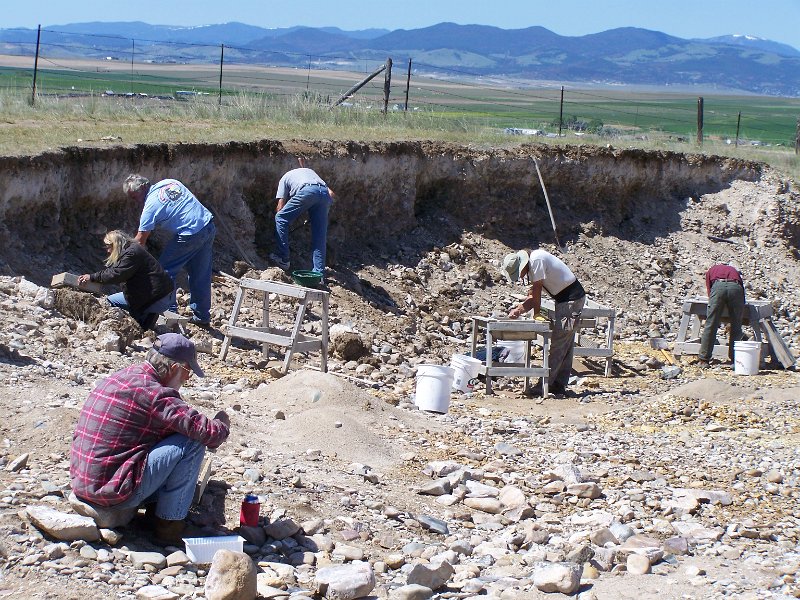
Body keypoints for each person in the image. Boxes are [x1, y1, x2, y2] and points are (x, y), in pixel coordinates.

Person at [70, 333, 230, 545]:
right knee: (192, 442)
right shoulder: (155, 393)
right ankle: (169, 526)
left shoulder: (122, 376)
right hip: (111, 490)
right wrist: (223, 423)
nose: (187, 379)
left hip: (84, 483)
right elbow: (207, 432)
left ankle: (155, 508)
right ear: (174, 369)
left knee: (172, 433)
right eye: (187, 372)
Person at [123, 174, 216, 326]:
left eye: (134, 197)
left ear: (143, 188)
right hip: (207, 225)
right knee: (200, 273)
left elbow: (140, 242)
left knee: (164, 272)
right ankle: (201, 316)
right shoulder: (170, 183)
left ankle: (170, 314)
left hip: (190, 234)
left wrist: (127, 265)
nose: (136, 202)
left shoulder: (150, 207)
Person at [502, 248, 586, 396]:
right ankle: (558, 384)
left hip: (570, 300)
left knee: (559, 344)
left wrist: (537, 313)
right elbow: (532, 296)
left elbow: (537, 290)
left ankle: (545, 385)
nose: (520, 277)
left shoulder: (537, 260)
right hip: (566, 300)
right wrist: (520, 309)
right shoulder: (534, 263)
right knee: (565, 343)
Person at [78, 230, 174, 330]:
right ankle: (147, 316)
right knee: (130, 299)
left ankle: (144, 320)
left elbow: (116, 274)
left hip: (157, 298)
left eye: (108, 247)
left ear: (116, 244)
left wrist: (92, 277)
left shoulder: (131, 254)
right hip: (165, 294)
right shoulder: (134, 249)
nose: (108, 251)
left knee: (110, 301)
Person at [269, 158, 335, 274]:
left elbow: (280, 207)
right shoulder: (309, 171)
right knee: (319, 235)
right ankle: (318, 274)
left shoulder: (285, 177)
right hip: (324, 194)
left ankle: (283, 258)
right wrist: (318, 213)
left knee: (280, 218)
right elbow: (331, 194)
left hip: (307, 190)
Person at [698, 263, 745, 366]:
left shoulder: (711, 270)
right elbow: (741, 286)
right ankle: (736, 360)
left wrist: (715, 304)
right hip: (736, 287)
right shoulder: (734, 270)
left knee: (711, 323)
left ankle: (704, 359)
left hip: (718, 286)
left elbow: (709, 290)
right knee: (736, 325)